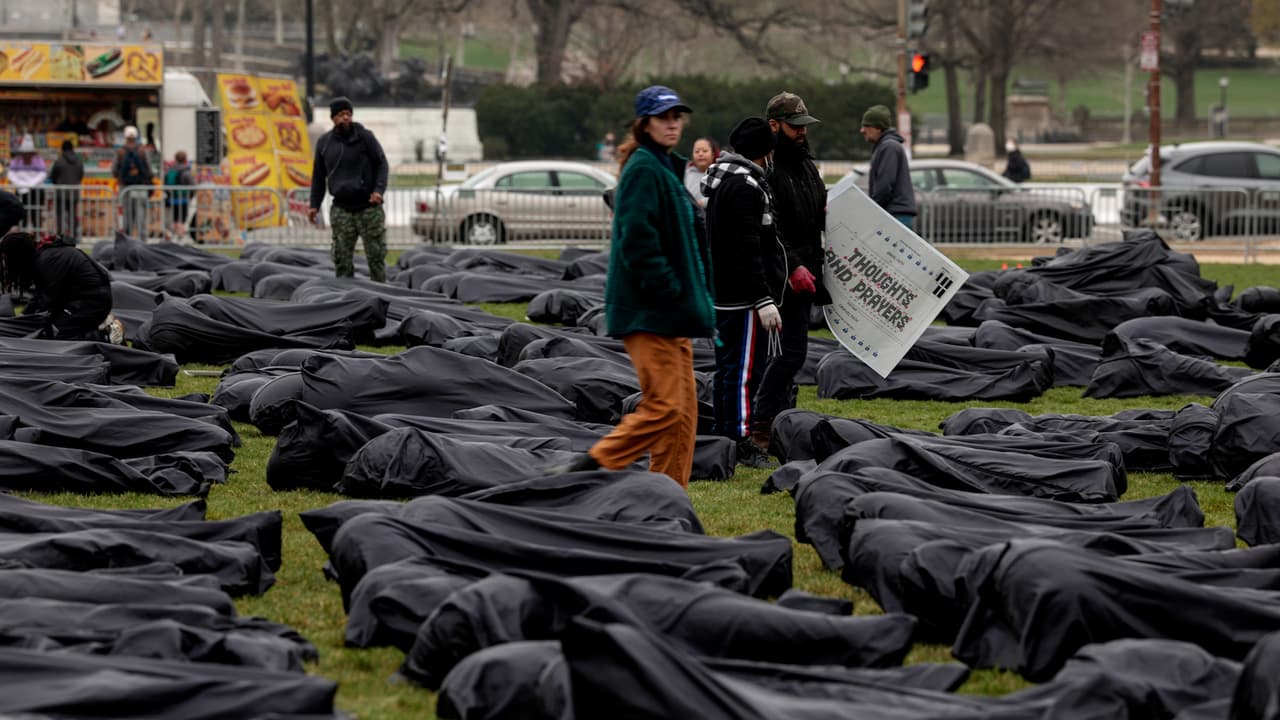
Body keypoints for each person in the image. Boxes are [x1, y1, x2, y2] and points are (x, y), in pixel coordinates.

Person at [554, 85, 715, 489]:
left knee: (683, 416)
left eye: (678, 117)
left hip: (673, 312)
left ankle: (667, 497)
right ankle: (594, 466)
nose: (673, 124)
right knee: (663, 408)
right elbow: (637, 241)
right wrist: (670, 289)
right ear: (644, 124)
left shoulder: (664, 167)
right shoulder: (644, 168)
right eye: (664, 117)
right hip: (650, 311)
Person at [702, 117, 786, 469]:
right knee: (743, 372)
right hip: (742, 297)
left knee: (727, 370)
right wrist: (764, 298)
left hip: (724, 291)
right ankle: (740, 440)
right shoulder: (747, 186)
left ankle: (725, 433)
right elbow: (748, 249)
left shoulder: (723, 181)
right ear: (765, 151)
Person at [753, 91, 829, 456]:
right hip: (784, 277)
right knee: (787, 354)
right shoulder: (769, 170)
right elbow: (773, 228)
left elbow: (814, 210)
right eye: (794, 126)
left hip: (808, 271)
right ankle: (761, 425)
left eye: (803, 126)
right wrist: (794, 264)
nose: (801, 133)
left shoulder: (806, 165)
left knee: (792, 354)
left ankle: (782, 418)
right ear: (774, 125)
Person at [308, 97, 389, 283]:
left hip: (368, 208)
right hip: (342, 210)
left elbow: (381, 164)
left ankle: (382, 296)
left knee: (376, 257)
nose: (346, 118)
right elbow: (318, 176)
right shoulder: (324, 143)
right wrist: (314, 204)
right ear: (333, 118)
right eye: (341, 114)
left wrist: (378, 190)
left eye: (348, 114)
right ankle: (345, 298)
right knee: (342, 259)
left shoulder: (365, 137)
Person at [0, 231, 115, 341]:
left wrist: (30, 320)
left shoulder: (46, 260)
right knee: (53, 328)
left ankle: (103, 337)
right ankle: (99, 335)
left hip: (91, 302)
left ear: (17, 254)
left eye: (7, 257)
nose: (6, 263)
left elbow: (51, 300)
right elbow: (41, 296)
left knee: (53, 334)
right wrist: (24, 316)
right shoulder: (43, 255)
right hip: (90, 299)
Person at [860, 104, 917, 229]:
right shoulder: (886, 146)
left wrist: (874, 208)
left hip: (895, 215)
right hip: (896, 214)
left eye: (867, 126)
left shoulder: (888, 147)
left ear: (879, 128)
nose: (862, 130)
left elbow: (884, 185)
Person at [112, 125, 154, 238]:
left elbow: (114, 170)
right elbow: (149, 170)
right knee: (141, 215)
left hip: (125, 187)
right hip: (140, 187)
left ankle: (127, 240)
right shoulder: (142, 151)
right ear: (136, 137)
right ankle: (142, 240)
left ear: (125, 137)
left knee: (127, 216)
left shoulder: (120, 151)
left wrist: (121, 178)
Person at [8, 135, 47, 232]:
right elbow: (11, 174)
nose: (26, 156)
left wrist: (30, 184)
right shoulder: (16, 162)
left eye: (28, 154)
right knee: (21, 216)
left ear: (32, 153)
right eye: (24, 154)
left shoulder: (38, 161)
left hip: (35, 193)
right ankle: (22, 236)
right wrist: (21, 184)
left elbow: (42, 174)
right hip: (21, 192)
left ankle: (37, 237)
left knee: (36, 216)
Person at [48, 139, 85, 239]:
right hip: (74, 192)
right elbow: (81, 175)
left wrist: (58, 183)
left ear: (62, 149)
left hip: (61, 192)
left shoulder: (59, 161)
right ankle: (73, 236)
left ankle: (60, 236)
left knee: (60, 215)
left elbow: (52, 176)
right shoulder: (79, 161)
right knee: (72, 215)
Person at [164, 151, 195, 241]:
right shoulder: (186, 171)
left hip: (173, 199)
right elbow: (192, 185)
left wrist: (169, 194)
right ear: (185, 159)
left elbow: (165, 184)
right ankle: (179, 236)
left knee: (175, 218)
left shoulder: (170, 170)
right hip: (184, 199)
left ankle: (171, 233)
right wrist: (190, 197)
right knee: (182, 219)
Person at [683, 136, 719, 207]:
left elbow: (720, 197)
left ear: (713, 155)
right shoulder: (687, 174)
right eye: (697, 151)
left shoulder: (718, 174)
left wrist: (702, 203)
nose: (700, 154)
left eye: (705, 151)